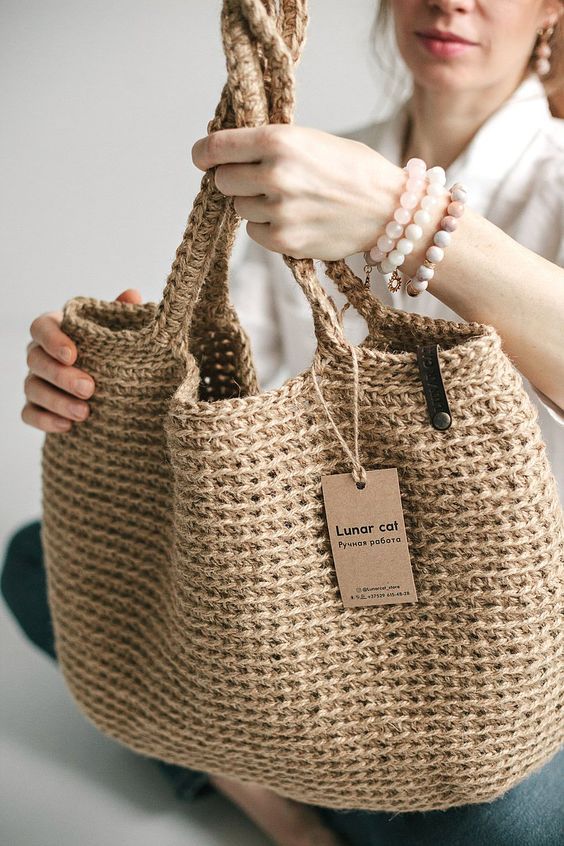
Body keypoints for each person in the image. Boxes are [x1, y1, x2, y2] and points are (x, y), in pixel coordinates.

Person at [3, 1, 564, 844]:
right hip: (316, 571)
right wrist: (115, 383)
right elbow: (244, 403)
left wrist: (399, 218)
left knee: (503, 806)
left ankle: (264, 751)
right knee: (35, 562)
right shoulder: (303, 167)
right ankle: (287, 807)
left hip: (507, 631)